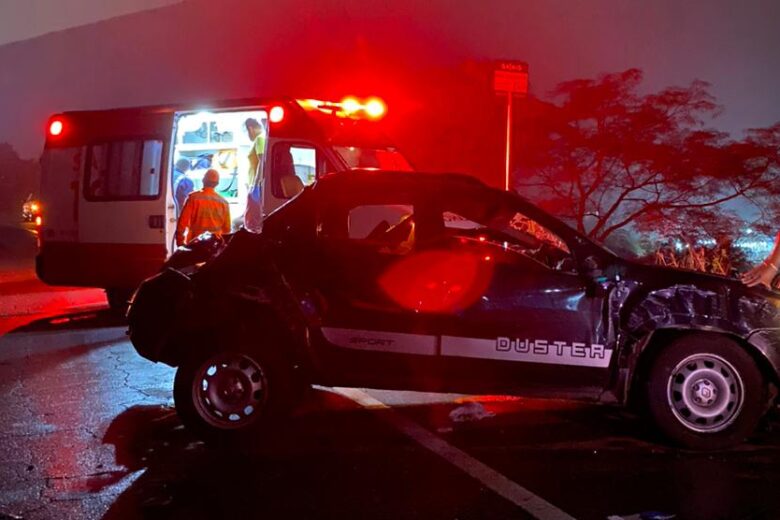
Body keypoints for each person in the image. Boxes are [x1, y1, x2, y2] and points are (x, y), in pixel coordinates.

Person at [176, 169, 231, 247]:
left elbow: (182, 222)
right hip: (214, 245)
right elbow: (227, 230)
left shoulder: (193, 198)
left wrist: (180, 241)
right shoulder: (223, 202)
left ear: (203, 180)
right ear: (217, 184)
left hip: (195, 244)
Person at [244, 118, 266, 231]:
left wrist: (255, 184)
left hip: (256, 185)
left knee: (252, 221)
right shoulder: (261, 138)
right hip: (254, 184)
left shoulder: (259, 139)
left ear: (250, 129)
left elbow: (262, 162)